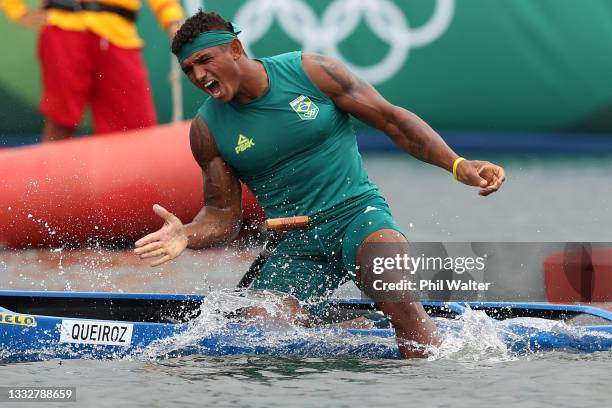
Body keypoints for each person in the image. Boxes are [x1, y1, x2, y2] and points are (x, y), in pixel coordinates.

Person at [134, 11, 506, 358]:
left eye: (204, 61)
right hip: (296, 245)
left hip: (359, 218)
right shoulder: (206, 130)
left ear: (235, 49)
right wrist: (185, 234)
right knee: (258, 330)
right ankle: (342, 324)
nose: (198, 76)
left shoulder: (312, 72)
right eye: (188, 69)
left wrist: (457, 164)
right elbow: (222, 216)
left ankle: (429, 370)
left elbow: (393, 121)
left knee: (392, 285)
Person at [0, 0, 184, 141]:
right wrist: (17, 11)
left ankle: (130, 187)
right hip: (63, 26)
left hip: (118, 34)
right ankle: (48, 186)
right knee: (61, 121)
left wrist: (173, 20)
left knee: (136, 128)